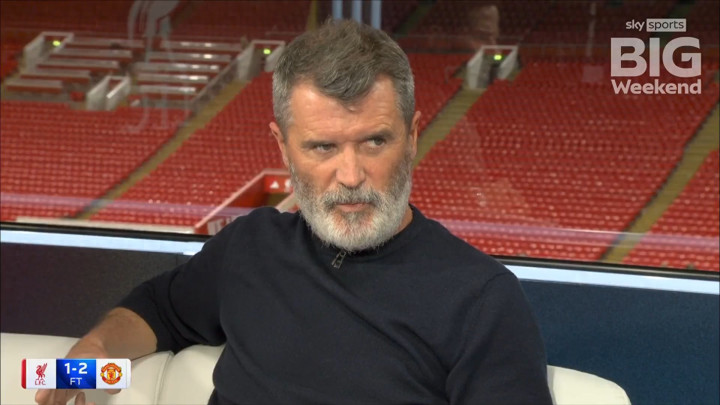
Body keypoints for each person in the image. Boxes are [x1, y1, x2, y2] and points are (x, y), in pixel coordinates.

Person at [37, 19, 552, 405]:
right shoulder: (250, 247)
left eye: (374, 142)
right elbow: (158, 311)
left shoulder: (481, 300)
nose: (350, 175)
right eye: (323, 147)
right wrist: (92, 353)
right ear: (283, 148)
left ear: (413, 137)